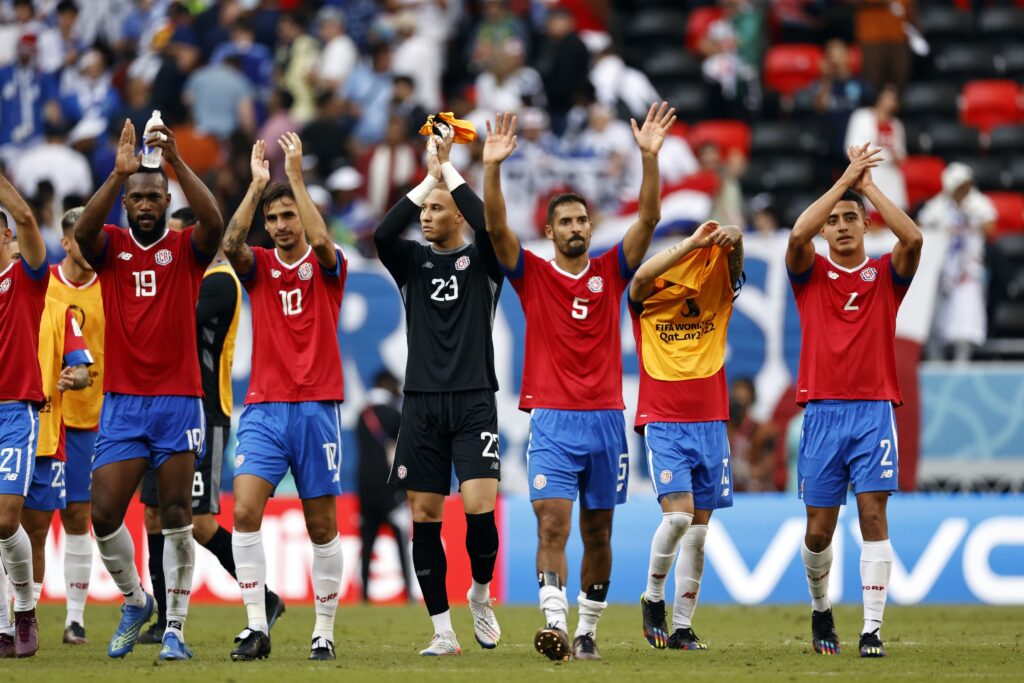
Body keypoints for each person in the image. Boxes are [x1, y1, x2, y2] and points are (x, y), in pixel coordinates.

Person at [482, 103, 675, 661]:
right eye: (564, 221)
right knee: (552, 524)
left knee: (598, 534)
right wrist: (491, 167)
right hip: (552, 421)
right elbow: (495, 227)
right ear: (549, 231)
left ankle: (588, 630)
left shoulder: (612, 271)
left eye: (580, 221)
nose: (574, 228)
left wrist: (649, 159)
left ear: (590, 227)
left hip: (606, 422)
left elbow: (648, 222)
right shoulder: (533, 274)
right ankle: (555, 625)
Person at [72, 118, 225, 660]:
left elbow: (216, 221)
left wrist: (178, 164)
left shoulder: (185, 249)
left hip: (179, 400)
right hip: (123, 402)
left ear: (164, 200)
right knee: (106, 514)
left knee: (179, 511)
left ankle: (177, 628)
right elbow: (81, 235)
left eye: (151, 196)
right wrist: (117, 175)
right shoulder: (110, 246)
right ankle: (136, 600)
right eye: (136, 197)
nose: (143, 204)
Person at [786, 143, 922, 658]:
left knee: (873, 517)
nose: (841, 225)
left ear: (866, 227)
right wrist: (845, 182)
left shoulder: (886, 276)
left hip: (873, 412)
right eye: (835, 220)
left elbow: (913, 236)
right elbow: (798, 233)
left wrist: (869, 190)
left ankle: (870, 630)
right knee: (819, 531)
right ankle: (822, 610)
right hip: (821, 413)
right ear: (827, 231)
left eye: (852, 219)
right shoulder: (811, 274)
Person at [374, 124, 503, 657]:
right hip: (422, 403)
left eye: (436, 208)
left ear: (458, 216)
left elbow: (490, 226)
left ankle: (479, 593)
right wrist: (426, 180)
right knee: (425, 516)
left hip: (474, 399)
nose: (426, 216)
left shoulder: (485, 264)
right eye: (423, 210)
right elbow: (383, 235)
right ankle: (443, 631)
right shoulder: (410, 264)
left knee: (478, 511)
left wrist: (450, 172)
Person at [222, 134, 346, 662]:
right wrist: (255, 188)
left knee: (321, 525)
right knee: (246, 511)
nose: (279, 226)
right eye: (272, 219)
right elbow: (230, 245)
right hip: (265, 407)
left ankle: (323, 631)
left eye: (287, 215)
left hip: (317, 407)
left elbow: (321, 245)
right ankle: (256, 627)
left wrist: (294, 177)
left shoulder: (328, 263)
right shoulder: (260, 270)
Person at [136, 206, 284, 645]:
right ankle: (163, 619)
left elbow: (174, 323)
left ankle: (266, 598)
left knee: (197, 522)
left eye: (180, 240)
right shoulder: (188, 279)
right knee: (153, 515)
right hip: (163, 407)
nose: (173, 249)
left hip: (205, 413)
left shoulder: (220, 281)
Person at [628, 219, 744, 651]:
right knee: (676, 518)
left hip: (712, 421)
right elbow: (638, 278)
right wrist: (692, 242)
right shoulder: (648, 299)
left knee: (697, 532)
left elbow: (733, 269)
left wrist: (737, 239)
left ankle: (681, 627)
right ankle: (653, 597)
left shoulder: (715, 292)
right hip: (664, 420)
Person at [20, 248, 92, 642]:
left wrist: (75, 377)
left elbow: (83, 369)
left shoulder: (59, 311)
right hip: (8, 431)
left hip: (47, 435)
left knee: (35, 532)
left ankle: (26, 618)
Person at [46, 207, 104, 644]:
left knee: (79, 515)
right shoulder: (41, 283)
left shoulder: (110, 287)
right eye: (80, 240)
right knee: (26, 518)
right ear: (66, 242)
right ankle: (17, 613)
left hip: (89, 418)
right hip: (43, 416)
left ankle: (75, 617)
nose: (87, 247)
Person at [0, 173, 49, 658]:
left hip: (16, 412)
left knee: (4, 518)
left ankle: (26, 608)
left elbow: (30, 217)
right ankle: (2, 627)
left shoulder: (26, 279)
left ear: (6, 236)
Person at [918, 163, 995, 362]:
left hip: (968, 271)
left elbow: (991, 227)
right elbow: (920, 225)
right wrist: (941, 228)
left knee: (965, 324)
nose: (963, 190)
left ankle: (962, 364)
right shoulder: (938, 205)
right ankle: (936, 363)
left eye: (965, 185)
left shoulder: (978, 203)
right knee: (936, 325)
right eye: (959, 186)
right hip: (941, 273)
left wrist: (968, 222)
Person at [355, 369, 409, 604]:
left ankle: (364, 594)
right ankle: (409, 592)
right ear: (386, 384)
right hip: (390, 490)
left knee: (367, 544)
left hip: (365, 488)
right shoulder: (393, 415)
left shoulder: (361, 415)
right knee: (401, 542)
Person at [844, 85, 907, 211]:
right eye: (888, 97)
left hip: (891, 173)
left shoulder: (897, 124)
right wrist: (888, 156)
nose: (891, 102)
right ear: (879, 98)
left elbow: (902, 153)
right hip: (869, 169)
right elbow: (853, 146)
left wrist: (897, 157)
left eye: (894, 99)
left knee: (895, 211)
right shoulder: (861, 117)